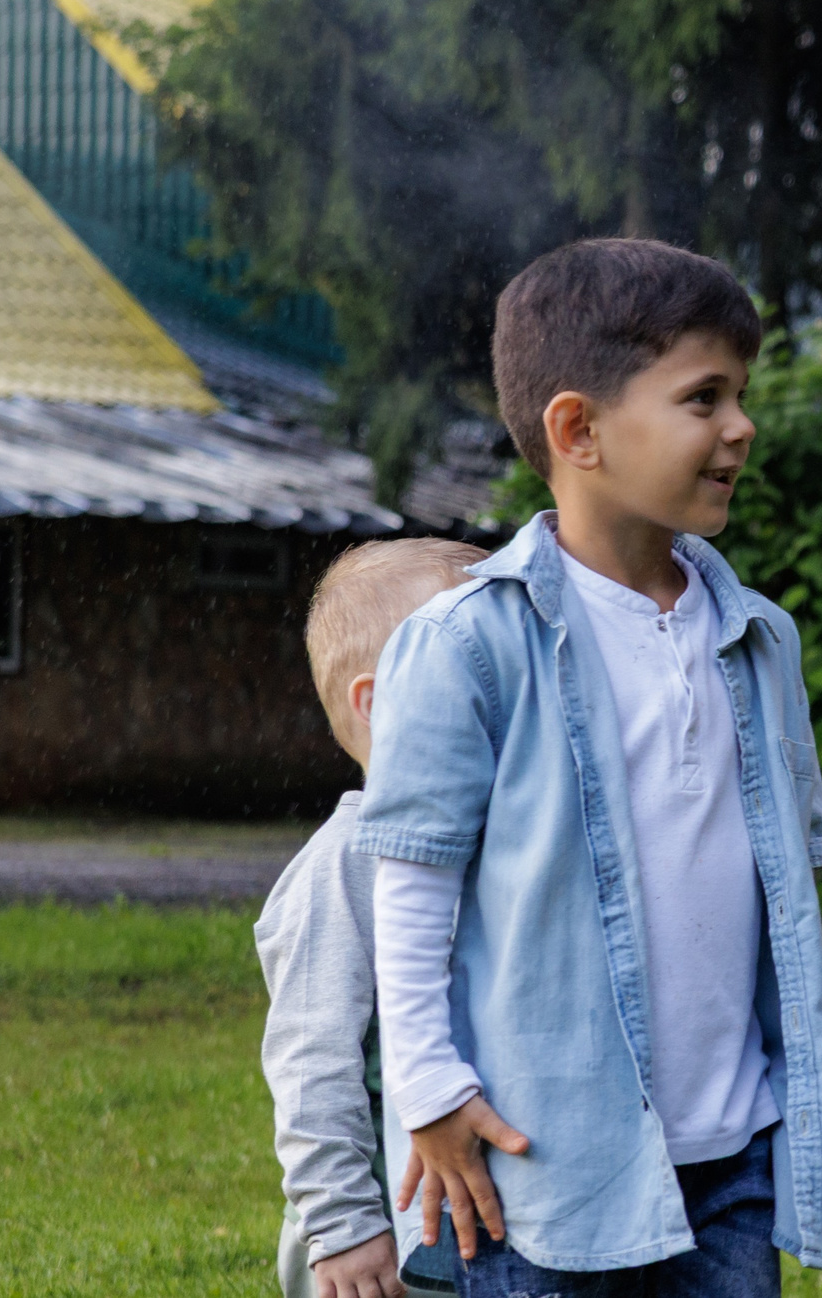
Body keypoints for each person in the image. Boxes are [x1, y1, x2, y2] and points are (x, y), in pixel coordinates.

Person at [355, 238, 822, 1296]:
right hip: (539, 1161)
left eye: (741, 393)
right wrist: (429, 1084)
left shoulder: (759, 637)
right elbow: (411, 874)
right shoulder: (471, 643)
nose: (741, 425)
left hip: (731, 1152)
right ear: (577, 428)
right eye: (703, 396)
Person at [258, 536, 491, 1298]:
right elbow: (311, 1057)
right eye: (477, 668)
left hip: (473, 1214)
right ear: (377, 705)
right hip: (380, 1236)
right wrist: (346, 1226)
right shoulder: (347, 863)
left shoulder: (497, 846)